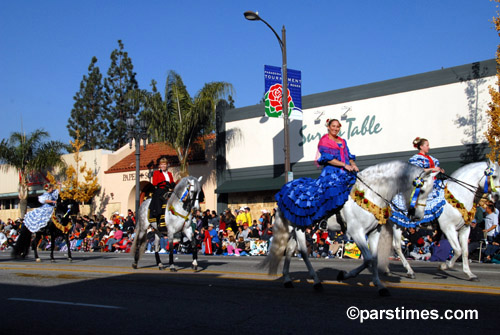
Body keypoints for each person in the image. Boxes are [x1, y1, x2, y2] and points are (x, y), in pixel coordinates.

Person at [275, 118, 359, 227]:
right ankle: (324, 219)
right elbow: (328, 159)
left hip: (347, 172)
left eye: (337, 126)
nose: (335, 128)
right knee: (332, 190)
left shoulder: (342, 141)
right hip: (331, 173)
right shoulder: (324, 141)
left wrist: (353, 164)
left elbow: (349, 156)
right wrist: (344, 165)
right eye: (333, 126)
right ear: (328, 127)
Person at [149, 157, 176, 225]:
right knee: (159, 199)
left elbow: (172, 181)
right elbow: (154, 183)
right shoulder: (156, 173)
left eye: (165, 164)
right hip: (160, 190)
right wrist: (164, 183)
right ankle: (158, 215)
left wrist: (172, 184)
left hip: (168, 190)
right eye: (162, 164)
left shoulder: (169, 174)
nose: (163, 166)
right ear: (160, 166)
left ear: (167, 165)